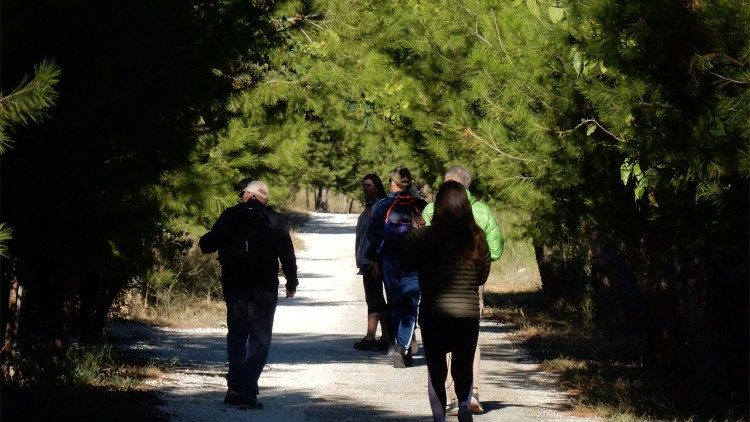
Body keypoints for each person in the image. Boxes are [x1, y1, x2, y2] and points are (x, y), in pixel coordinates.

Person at [199, 180, 298, 409]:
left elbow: (207, 245)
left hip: (235, 287)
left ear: (246, 195)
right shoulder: (275, 219)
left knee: (236, 335)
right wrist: (291, 282)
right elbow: (287, 255)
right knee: (259, 340)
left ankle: (233, 386)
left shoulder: (230, 215)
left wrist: (210, 236)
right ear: (265, 199)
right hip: (264, 288)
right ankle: (248, 391)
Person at [402, 180, 491, 422]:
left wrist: (413, 230)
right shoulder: (478, 238)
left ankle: (439, 418)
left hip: (434, 314)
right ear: (465, 206)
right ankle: (463, 404)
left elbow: (405, 262)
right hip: (467, 315)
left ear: (438, 206)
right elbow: (482, 275)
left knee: (436, 370)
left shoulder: (424, 236)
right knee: (463, 366)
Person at [421, 165, 504, 415]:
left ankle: (444, 400)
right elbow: (495, 251)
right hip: (470, 287)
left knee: (437, 355)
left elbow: (413, 254)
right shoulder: (482, 214)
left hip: (436, 294)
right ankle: (469, 396)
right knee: (467, 346)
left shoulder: (429, 212)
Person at [367, 166, 427, 367]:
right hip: (414, 259)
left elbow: (372, 235)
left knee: (394, 302)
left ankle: (395, 343)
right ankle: (403, 347)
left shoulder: (382, 206)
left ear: (393, 184)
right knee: (410, 304)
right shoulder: (421, 205)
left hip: (389, 259)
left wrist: (377, 254)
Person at [353, 174, 390, 351]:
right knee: (376, 298)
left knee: (374, 298)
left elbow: (382, 234)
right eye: (364, 185)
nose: (365, 188)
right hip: (367, 261)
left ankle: (371, 337)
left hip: (374, 261)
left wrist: (376, 258)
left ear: (376, 187)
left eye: (368, 185)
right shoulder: (369, 207)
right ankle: (386, 335)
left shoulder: (379, 207)